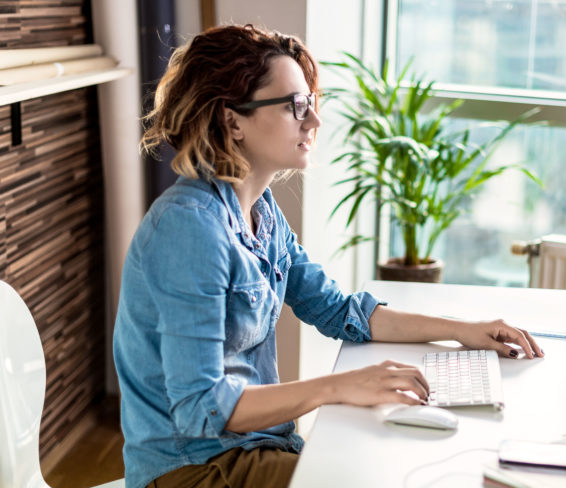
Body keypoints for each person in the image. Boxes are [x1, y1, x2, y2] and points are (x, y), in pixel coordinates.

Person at [113, 23, 543, 488]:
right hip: (195, 470)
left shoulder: (260, 212)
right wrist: (335, 388)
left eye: (311, 104)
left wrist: (463, 332)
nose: (313, 122)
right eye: (295, 106)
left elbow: (340, 312)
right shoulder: (189, 229)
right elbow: (201, 408)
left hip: (253, 449)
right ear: (232, 120)